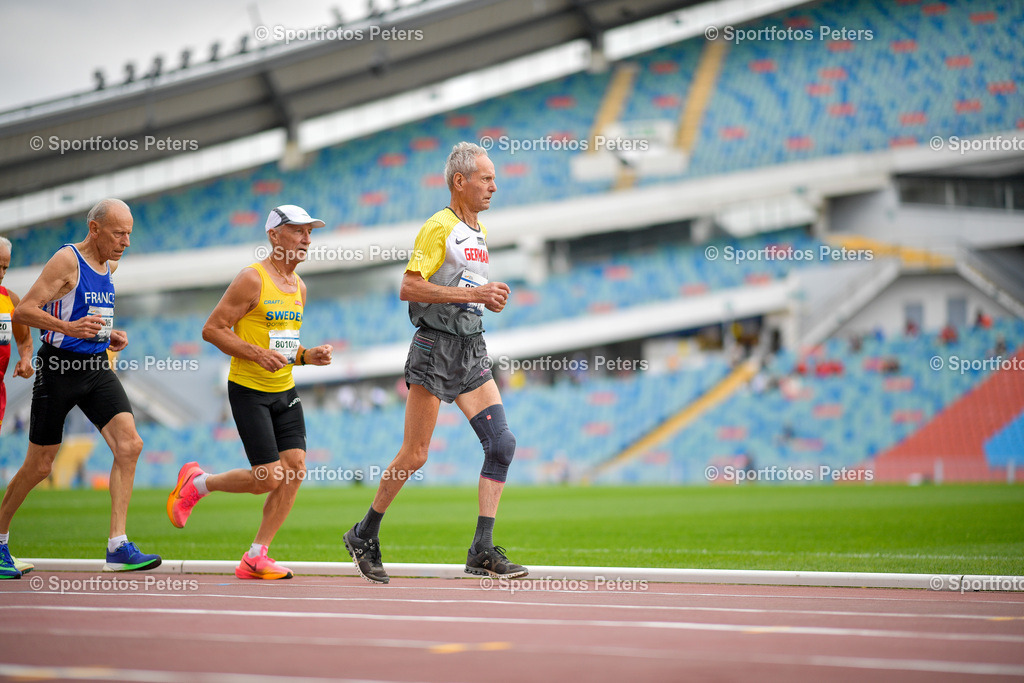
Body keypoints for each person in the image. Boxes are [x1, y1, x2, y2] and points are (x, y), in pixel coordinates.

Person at [343, 142, 527, 584]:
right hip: (435, 350)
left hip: (471, 349)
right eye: (486, 178)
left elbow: (466, 287)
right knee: (416, 453)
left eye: (494, 178)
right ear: (459, 182)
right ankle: (363, 533)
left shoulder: (477, 229)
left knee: (501, 445)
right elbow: (409, 287)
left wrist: (485, 301)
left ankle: (481, 549)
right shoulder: (438, 227)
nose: (494, 186)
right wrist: (474, 295)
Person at [167, 205, 333, 580]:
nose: (306, 239)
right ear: (274, 235)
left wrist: (308, 356)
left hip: (284, 390)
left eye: (310, 233)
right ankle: (197, 483)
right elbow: (212, 329)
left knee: (295, 471)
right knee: (269, 478)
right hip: (249, 391)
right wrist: (255, 354)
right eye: (297, 231)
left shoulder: (299, 286)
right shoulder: (252, 279)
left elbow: (284, 347)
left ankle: (256, 556)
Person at [0, 199, 161, 579]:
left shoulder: (111, 263)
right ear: (95, 229)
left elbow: (91, 313)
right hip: (57, 370)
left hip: (95, 367)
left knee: (130, 445)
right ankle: (0, 538)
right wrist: (70, 329)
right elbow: (23, 311)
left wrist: (108, 334)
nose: (125, 241)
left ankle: (118, 546)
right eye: (119, 233)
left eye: (129, 234)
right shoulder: (67, 261)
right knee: (40, 466)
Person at [0, 237, 36, 578]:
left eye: (5, 267)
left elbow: (25, 340)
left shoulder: (9, 300)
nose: (0, 273)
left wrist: (26, 360)